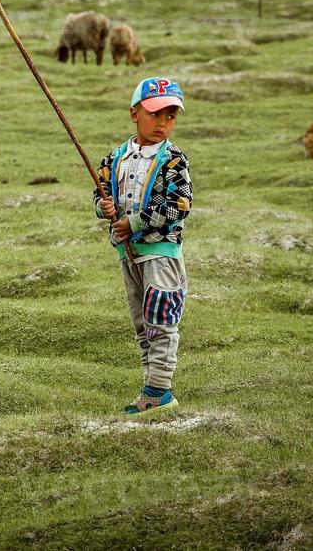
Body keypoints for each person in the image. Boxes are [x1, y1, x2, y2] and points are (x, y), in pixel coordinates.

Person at [93, 77, 193, 416]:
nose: (163, 124)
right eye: (155, 115)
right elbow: (101, 193)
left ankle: (159, 391)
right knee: (142, 322)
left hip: (160, 254)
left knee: (161, 319)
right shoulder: (115, 158)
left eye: (171, 116)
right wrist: (103, 208)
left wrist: (134, 222)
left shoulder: (175, 161)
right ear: (135, 114)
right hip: (129, 254)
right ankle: (152, 384)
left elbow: (179, 205)